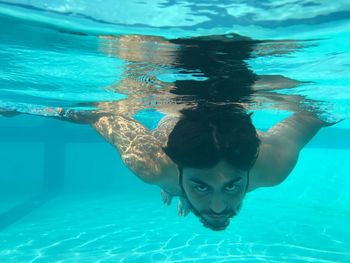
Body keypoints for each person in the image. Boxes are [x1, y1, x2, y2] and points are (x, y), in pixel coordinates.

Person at [0, 33, 338, 231]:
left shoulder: (152, 167)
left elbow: (94, 115)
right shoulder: (155, 163)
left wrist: (183, 189)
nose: (220, 207)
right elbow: (97, 116)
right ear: (176, 169)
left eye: (233, 183)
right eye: (200, 185)